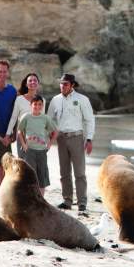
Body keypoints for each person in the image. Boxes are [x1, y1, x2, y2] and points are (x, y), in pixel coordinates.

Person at [47, 73, 95, 212]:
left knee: (80, 172)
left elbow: (89, 120)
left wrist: (89, 139)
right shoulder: (55, 100)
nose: (63, 86)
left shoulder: (82, 99)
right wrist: (50, 136)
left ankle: (82, 202)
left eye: (66, 84)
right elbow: (50, 120)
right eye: (61, 83)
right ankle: (67, 201)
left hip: (77, 137)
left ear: (72, 85)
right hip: (61, 138)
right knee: (64, 172)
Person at [16, 95, 57, 197]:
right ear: (31, 105)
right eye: (35, 104)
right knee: (30, 174)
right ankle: (30, 197)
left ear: (42, 106)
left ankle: (41, 198)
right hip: (29, 150)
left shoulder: (46, 118)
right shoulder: (26, 117)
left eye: (40, 104)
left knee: (42, 174)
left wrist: (49, 145)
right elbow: (20, 131)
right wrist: (24, 144)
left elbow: (55, 132)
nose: (37, 106)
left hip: (42, 151)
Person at [5, 73, 43, 158]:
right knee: (23, 162)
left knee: (36, 163)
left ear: (38, 83)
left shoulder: (42, 100)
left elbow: (43, 119)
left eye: (35, 80)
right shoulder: (19, 99)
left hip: (37, 136)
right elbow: (14, 118)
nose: (33, 82)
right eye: (30, 80)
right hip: (22, 135)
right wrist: (8, 134)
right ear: (26, 84)